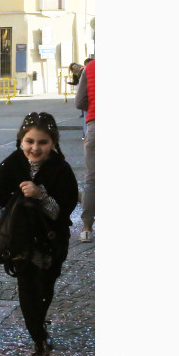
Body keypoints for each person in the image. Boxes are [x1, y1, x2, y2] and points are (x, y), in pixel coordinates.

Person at [0, 112, 78, 356]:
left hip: (50, 243)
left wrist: (41, 195)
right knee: (27, 290)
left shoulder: (61, 169)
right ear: (21, 141)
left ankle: (40, 326)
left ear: (53, 143)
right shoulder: (12, 163)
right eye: (30, 141)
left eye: (42, 142)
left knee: (44, 290)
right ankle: (39, 342)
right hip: (21, 245)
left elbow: (63, 212)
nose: (35, 148)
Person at [75, 59, 95, 243]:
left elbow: (79, 101)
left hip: (94, 125)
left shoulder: (89, 68)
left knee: (91, 179)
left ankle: (87, 228)